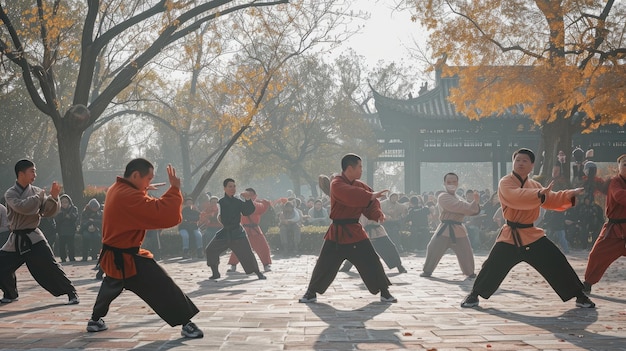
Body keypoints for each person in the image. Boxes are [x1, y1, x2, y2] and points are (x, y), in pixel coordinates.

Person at [460, 148, 595, 309]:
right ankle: (474, 294)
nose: (521, 163)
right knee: (492, 266)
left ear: (532, 165)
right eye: (517, 160)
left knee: (557, 261)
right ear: (513, 163)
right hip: (510, 235)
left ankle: (579, 296)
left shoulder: (535, 185)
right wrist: (539, 195)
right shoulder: (506, 182)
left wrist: (570, 194)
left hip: (532, 234)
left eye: (525, 161)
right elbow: (516, 197)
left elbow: (551, 199)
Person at [86, 159, 203, 338]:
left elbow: (136, 200)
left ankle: (95, 320)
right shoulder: (128, 196)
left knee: (111, 286)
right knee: (163, 284)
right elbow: (160, 212)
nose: (149, 182)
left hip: (115, 255)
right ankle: (187, 323)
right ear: (135, 175)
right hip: (128, 258)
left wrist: (144, 188)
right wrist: (174, 189)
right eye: (147, 179)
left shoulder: (115, 189)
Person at [298, 153, 397, 303]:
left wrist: (377, 213)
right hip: (337, 233)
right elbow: (352, 195)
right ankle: (311, 293)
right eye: (360, 167)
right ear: (350, 168)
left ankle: (384, 292)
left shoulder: (360, 185)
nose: (361, 170)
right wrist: (370, 196)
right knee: (324, 264)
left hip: (355, 232)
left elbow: (371, 202)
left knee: (371, 261)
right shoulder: (336, 183)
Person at [0, 159, 79, 305]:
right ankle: (10, 293)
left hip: (34, 237)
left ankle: (71, 292)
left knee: (51, 266)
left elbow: (46, 212)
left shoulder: (37, 191)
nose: (35, 174)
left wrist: (54, 198)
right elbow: (22, 207)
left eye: (35, 171)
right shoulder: (10, 193)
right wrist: (40, 197)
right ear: (21, 173)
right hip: (16, 239)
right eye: (32, 171)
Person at [204, 178, 267, 280]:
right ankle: (215, 273)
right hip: (225, 232)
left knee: (247, 253)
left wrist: (247, 199)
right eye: (230, 186)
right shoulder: (221, 202)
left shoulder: (238, 201)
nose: (233, 188)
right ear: (225, 188)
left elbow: (247, 211)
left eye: (234, 186)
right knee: (210, 250)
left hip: (238, 232)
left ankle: (258, 272)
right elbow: (219, 216)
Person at [421, 173, 480, 278]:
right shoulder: (443, 196)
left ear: (457, 183)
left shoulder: (459, 197)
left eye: (454, 182)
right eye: (449, 182)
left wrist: (474, 204)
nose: (451, 184)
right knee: (433, 248)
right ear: (444, 183)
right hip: (444, 229)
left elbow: (471, 211)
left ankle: (469, 272)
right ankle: (427, 270)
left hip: (459, 229)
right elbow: (460, 207)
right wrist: (473, 203)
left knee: (466, 253)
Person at [582, 154, 626, 294]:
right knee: (596, 255)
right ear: (618, 167)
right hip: (614, 230)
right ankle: (588, 283)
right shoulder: (615, 182)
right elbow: (619, 196)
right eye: (624, 163)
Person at [226, 188, 273, 273]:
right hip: (244, 229)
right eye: (246, 195)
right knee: (237, 248)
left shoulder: (257, 204)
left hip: (255, 230)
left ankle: (266, 265)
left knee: (263, 248)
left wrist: (265, 203)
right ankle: (233, 265)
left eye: (250, 195)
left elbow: (260, 207)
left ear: (254, 196)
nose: (248, 197)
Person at [56, 194, 79, 262]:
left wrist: (69, 216)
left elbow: (75, 217)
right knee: (62, 245)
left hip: (71, 230)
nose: (64, 204)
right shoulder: (58, 209)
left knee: (71, 245)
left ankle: (72, 257)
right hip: (61, 230)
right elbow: (57, 219)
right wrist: (64, 216)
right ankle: (63, 258)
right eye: (62, 202)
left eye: (66, 202)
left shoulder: (73, 209)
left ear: (69, 202)